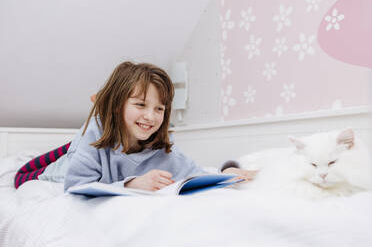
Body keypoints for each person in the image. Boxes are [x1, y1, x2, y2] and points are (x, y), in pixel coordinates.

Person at [14, 61, 256, 191]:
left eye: (159, 109)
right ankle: (81, 135)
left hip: (109, 128)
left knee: (98, 131)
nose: (150, 117)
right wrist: (132, 184)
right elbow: (77, 185)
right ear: (119, 105)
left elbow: (194, 174)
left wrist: (225, 174)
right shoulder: (95, 136)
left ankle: (104, 112)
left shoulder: (163, 151)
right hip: (72, 162)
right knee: (22, 177)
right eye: (141, 104)